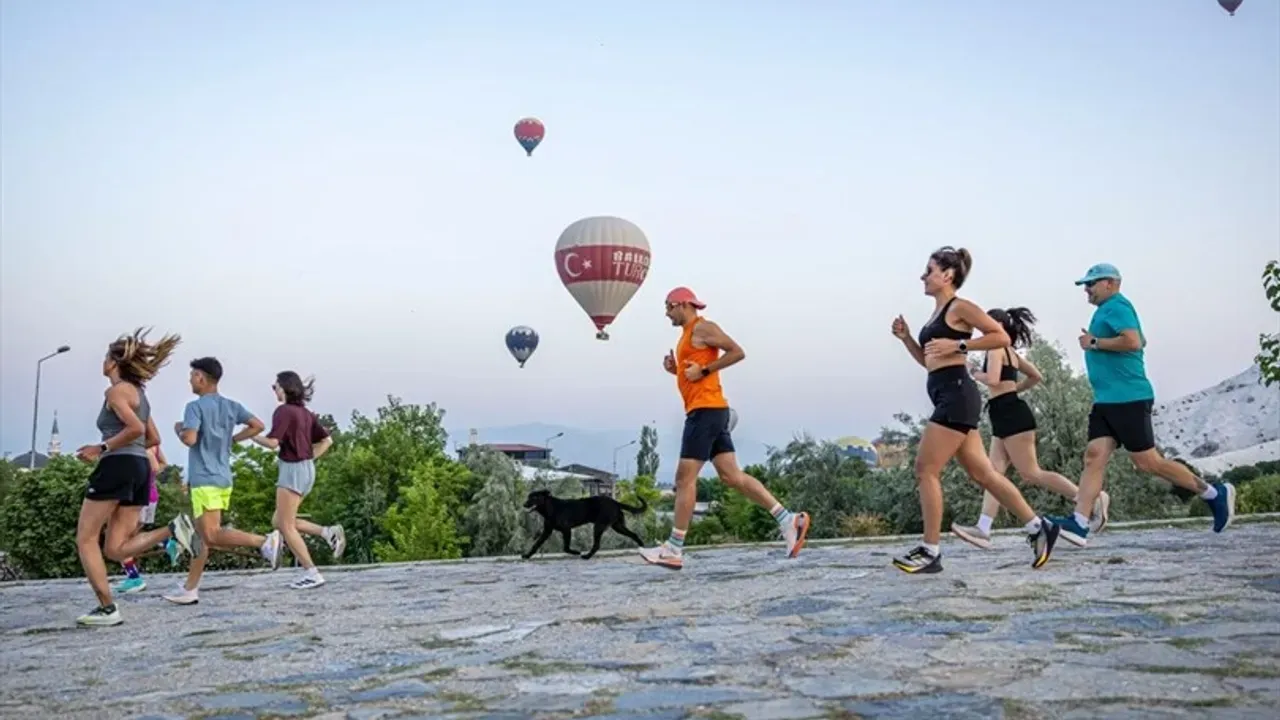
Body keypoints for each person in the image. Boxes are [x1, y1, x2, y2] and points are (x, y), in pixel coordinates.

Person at [890, 247, 1059, 574]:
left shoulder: (960, 307)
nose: (923, 276)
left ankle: (930, 551)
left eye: (929, 270)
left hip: (957, 395)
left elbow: (1000, 336)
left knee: (925, 469)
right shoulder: (937, 315)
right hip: (947, 393)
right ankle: (1039, 527)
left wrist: (960, 345)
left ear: (947, 275)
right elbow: (929, 362)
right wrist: (906, 338)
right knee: (983, 474)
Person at [1047, 264, 1235, 544]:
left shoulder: (1117, 306)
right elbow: (1141, 339)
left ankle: (1214, 494)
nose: (1086, 289)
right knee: (1094, 455)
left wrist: (1094, 342)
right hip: (1106, 401)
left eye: (1091, 284)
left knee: (1148, 462)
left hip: (1128, 398)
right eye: (1085, 285)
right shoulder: (1108, 309)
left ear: (1110, 283)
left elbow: (1133, 342)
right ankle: (1079, 522)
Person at [639, 287, 810, 570]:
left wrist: (704, 370)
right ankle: (788, 519)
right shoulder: (687, 335)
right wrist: (676, 370)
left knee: (684, 479)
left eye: (669, 306)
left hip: (705, 412)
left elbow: (737, 352)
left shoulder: (703, 327)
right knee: (731, 476)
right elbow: (695, 372)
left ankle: (673, 548)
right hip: (712, 410)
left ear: (683, 304)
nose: (666, 313)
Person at [950, 307, 1110, 549]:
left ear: (998, 326)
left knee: (1031, 473)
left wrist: (973, 372)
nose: (982, 327)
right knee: (993, 474)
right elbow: (1036, 375)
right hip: (1003, 413)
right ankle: (983, 527)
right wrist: (1013, 389)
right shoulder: (1010, 351)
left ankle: (1092, 500)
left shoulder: (996, 348)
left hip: (1011, 415)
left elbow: (992, 379)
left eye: (986, 323)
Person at [72, 328, 200, 626]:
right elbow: (153, 437)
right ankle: (173, 529)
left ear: (113, 363)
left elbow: (137, 430)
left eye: (106, 357)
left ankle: (107, 609)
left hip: (117, 465)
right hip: (140, 467)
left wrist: (101, 447)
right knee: (115, 548)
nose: (102, 362)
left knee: (86, 538)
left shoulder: (116, 392)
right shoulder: (140, 396)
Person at [161, 356, 283, 605]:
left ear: (201, 378)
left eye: (192, 376)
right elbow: (257, 425)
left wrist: (179, 429)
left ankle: (264, 542)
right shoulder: (231, 405)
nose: (190, 380)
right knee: (200, 534)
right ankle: (190, 589)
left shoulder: (194, 407)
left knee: (211, 534)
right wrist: (233, 439)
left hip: (204, 478)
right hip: (223, 476)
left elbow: (190, 439)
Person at [251, 371, 345, 589]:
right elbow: (327, 441)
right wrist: (308, 458)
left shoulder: (283, 411)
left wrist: (252, 436)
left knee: (285, 526)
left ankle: (312, 573)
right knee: (279, 521)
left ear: (285, 387)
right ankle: (327, 532)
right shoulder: (306, 413)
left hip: (291, 471)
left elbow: (273, 443)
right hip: (307, 470)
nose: (274, 390)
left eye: (275, 386)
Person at [111, 444, 169, 595]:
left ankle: (134, 578)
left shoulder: (143, 447)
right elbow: (163, 464)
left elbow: (154, 467)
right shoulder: (154, 446)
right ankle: (165, 542)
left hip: (139, 497)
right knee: (130, 538)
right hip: (150, 495)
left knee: (121, 540)